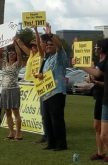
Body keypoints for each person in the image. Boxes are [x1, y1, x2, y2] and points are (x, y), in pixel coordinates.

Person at [37, 23, 68, 151]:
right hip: (46, 93)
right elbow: (44, 75)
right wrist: (40, 76)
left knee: (57, 119)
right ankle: (51, 142)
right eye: (47, 44)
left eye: (51, 44)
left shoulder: (60, 55)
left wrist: (50, 34)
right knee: (48, 119)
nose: (49, 46)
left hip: (57, 92)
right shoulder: (46, 59)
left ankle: (61, 144)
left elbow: (60, 45)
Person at [76, 39, 108, 161]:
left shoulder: (105, 61)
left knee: (104, 132)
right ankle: (100, 152)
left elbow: (100, 76)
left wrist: (80, 65)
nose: (95, 49)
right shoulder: (99, 61)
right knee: (97, 126)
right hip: (100, 96)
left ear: (102, 49)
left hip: (104, 96)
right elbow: (96, 75)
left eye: (97, 47)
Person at [0, 38, 23, 140]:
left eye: (13, 53)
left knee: (15, 111)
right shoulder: (4, 64)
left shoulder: (17, 64)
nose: (11, 55)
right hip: (4, 90)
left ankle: (18, 133)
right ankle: (11, 132)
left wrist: (15, 43)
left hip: (14, 89)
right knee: (7, 112)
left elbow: (20, 54)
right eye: (10, 53)